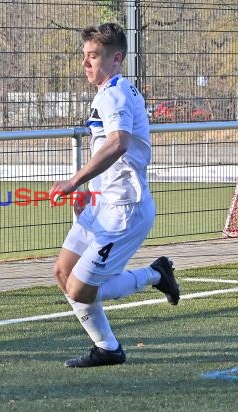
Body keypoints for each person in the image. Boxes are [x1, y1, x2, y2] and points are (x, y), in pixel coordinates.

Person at [48, 23, 180, 367]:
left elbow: (118, 142)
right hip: (102, 203)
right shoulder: (109, 90)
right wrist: (90, 190)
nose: (85, 64)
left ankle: (155, 274)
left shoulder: (115, 93)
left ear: (116, 58)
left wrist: (74, 181)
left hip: (124, 210)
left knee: (79, 289)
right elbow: (109, 146)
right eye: (84, 56)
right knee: (63, 272)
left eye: (93, 56)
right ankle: (107, 348)